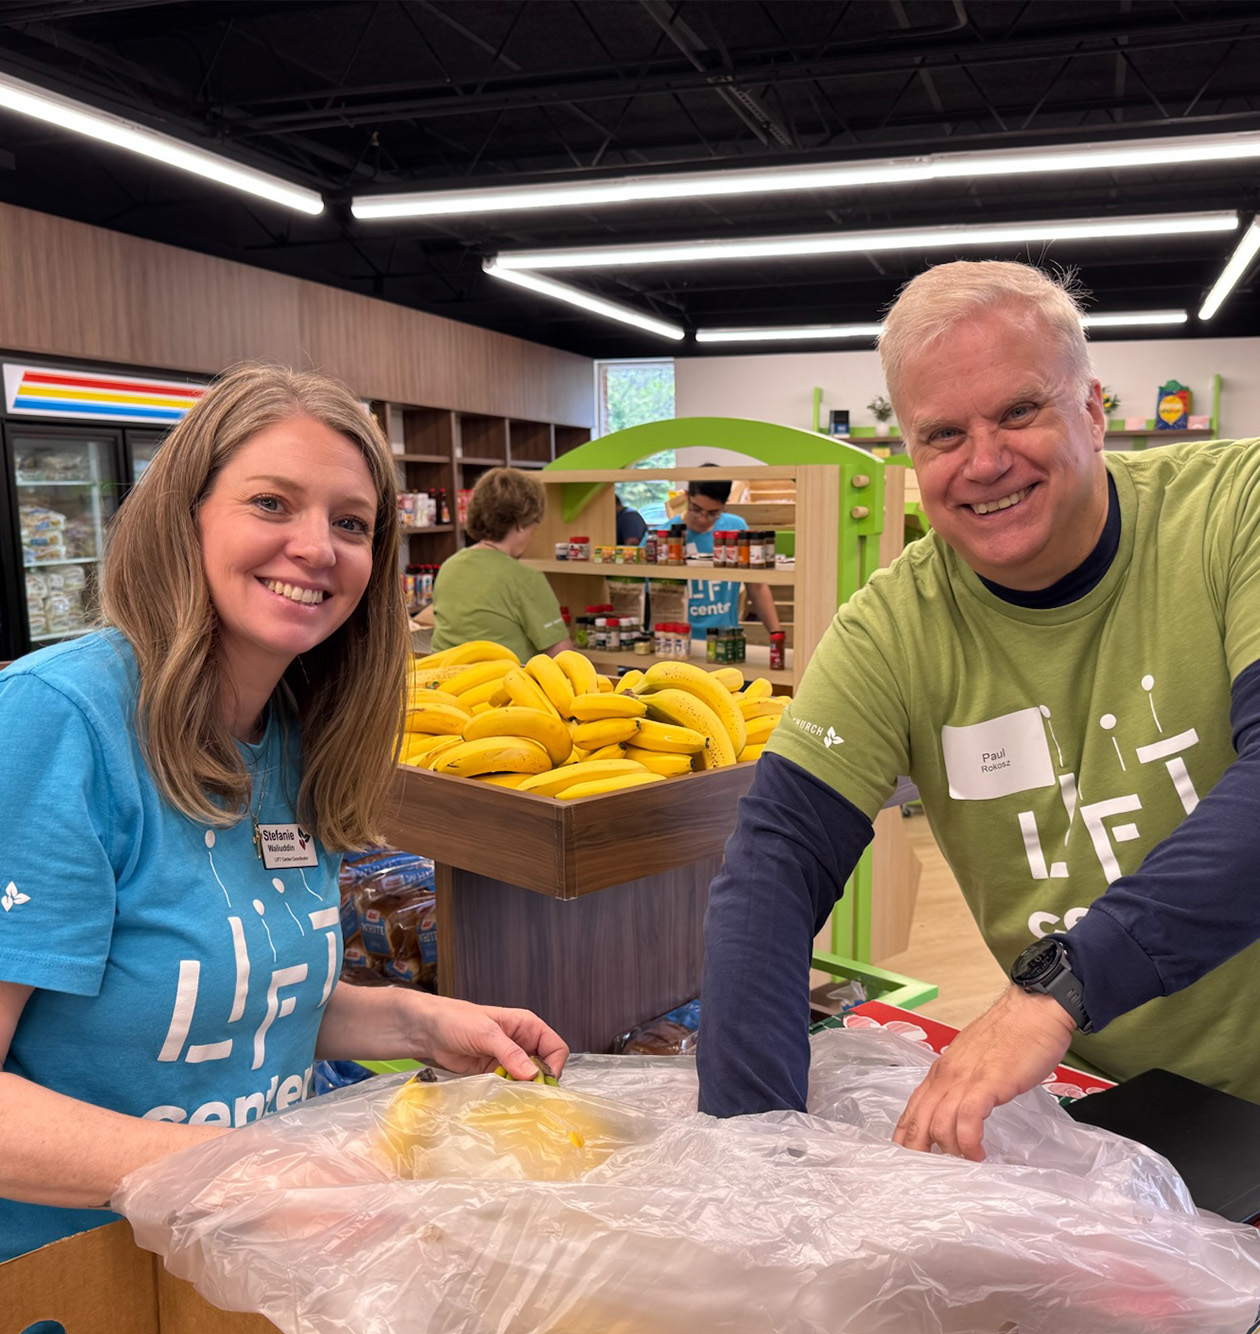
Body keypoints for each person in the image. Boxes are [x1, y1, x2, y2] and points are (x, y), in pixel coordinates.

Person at [0, 364, 567, 1264]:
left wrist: (417, 1023)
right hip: (76, 1290)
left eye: (351, 523)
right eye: (272, 503)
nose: (316, 547)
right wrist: (236, 1173)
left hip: (245, 1266)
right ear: (186, 515)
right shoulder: (56, 723)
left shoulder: (301, 736)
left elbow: (240, 1000)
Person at [696, 259, 1260, 1161]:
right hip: (1114, 1108)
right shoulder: (893, 628)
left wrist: (1062, 986)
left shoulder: (1234, 509)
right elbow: (775, 861)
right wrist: (753, 1155)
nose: (985, 461)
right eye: (944, 434)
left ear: (1093, 410)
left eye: (1019, 411)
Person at [430, 467, 568, 662]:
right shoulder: (525, 579)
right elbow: (564, 657)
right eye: (534, 526)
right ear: (521, 523)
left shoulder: (450, 566)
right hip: (501, 679)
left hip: (445, 676)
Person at [678, 476, 782, 643]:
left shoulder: (736, 528)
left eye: (713, 513)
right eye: (696, 509)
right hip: (679, 641)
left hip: (726, 640)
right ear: (686, 496)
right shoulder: (666, 535)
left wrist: (776, 634)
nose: (703, 519)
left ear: (724, 505)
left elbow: (756, 586)